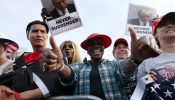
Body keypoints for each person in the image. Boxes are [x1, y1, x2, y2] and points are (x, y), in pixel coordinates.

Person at [40, 28, 160, 100]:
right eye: (92, 44)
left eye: (99, 43)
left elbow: (125, 70)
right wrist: (60, 66)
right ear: (87, 50)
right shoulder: (79, 67)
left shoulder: (114, 65)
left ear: (104, 48)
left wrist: (135, 58)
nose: (96, 45)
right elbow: (69, 75)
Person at [0, 20, 74, 100]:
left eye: (42, 32)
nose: (39, 34)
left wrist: (17, 97)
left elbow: (57, 84)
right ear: (27, 36)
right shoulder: (19, 59)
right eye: (35, 31)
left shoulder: (55, 54)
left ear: (46, 36)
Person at [137, 12, 175, 82]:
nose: (170, 25)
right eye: (163, 24)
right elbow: (140, 87)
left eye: (174, 23)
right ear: (154, 34)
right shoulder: (146, 63)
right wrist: (147, 79)